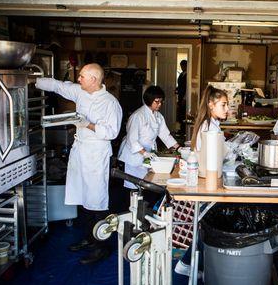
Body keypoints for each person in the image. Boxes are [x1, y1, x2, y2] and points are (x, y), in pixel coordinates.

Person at [36, 63, 122, 264]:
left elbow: (112, 132)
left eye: (82, 76)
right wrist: (33, 81)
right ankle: (89, 238)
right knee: (83, 197)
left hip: (96, 154)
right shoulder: (80, 92)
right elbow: (58, 86)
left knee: (97, 200)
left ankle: (101, 246)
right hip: (80, 150)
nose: (79, 79)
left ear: (94, 79)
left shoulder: (110, 103)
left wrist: (88, 125)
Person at [175, 85, 229, 277]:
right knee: (205, 227)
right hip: (208, 181)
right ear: (211, 105)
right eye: (223, 105)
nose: (227, 109)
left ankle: (194, 263)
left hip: (207, 177)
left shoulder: (210, 123)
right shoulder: (209, 128)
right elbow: (214, 156)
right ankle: (187, 262)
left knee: (205, 225)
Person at [118, 86, 180, 190]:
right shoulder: (138, 116)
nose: (160, 104)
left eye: (161, 101)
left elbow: (165, 135)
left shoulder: (158, 116)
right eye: (157, 102)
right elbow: (132, 140)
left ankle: (144, 203)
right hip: (135, 156)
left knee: (147, 184)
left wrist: (179, 149)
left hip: (148, 154)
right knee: (134, 186)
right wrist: (144, 153)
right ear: (149, 100)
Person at [176, 60, 188, 133]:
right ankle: (181, 129)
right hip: (180, 96)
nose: (182, 67)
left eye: (183, 66)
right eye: (181, 66)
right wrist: (177, 88)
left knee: (183, 113)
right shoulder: (181, 74)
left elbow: (187, 88)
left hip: (184, 97)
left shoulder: (188, 75)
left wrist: (184, 98)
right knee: (180, 113)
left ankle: (184, 130)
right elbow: (181, 85)